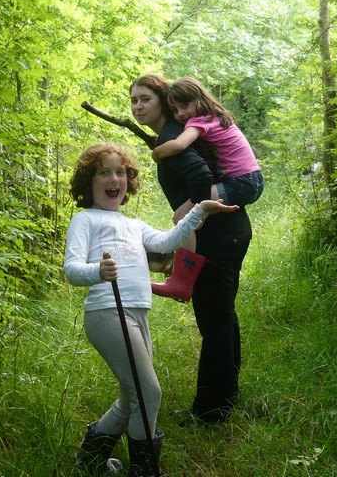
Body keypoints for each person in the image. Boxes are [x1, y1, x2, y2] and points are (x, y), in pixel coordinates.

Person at [63, 143, 237, 476]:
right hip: (107, 312)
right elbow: (71, 269)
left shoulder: (133, 224)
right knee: (149, 391)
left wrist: (199, 211)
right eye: (104, 172)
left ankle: (90, 459)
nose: (114, 179)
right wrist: (97, 272)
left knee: (133, 397)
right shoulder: (85, 220)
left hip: (137, 313)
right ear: (89, 181)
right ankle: (144, 470)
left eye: (120, 172)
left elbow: (167, 241)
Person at [130, 73, 254, 425]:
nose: (138, 106)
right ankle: (225, 395)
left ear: (163, 101)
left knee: (214, 322)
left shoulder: (174, 136)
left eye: (145, 99)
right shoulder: (174, 135)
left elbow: (200, 177)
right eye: (134, 101)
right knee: (222, 316)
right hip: (228, 229)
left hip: (218, 233)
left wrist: (188, 209)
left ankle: (210, 412)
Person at [151, 76, 264, 254]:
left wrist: (156, 153)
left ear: (200, 99)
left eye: (185, 105)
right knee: (186, 218)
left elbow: (179, 145)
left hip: (241, 182)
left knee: (183, 218)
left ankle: (182, 275)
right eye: (174, 109)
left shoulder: (199, 121)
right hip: (253, 178)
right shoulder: (216, 117)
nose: (180, 113)